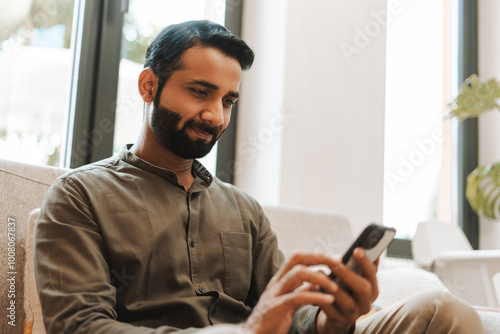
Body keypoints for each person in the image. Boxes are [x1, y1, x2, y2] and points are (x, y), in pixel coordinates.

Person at [34, 20, 483, 334]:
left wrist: (331, 318)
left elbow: (289, 315)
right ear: (149, 85)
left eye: (228, 100)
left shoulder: (242, 209)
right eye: (199, 92)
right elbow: (81, 327)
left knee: (441, 310)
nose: (214, 116)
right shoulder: (79, 196)